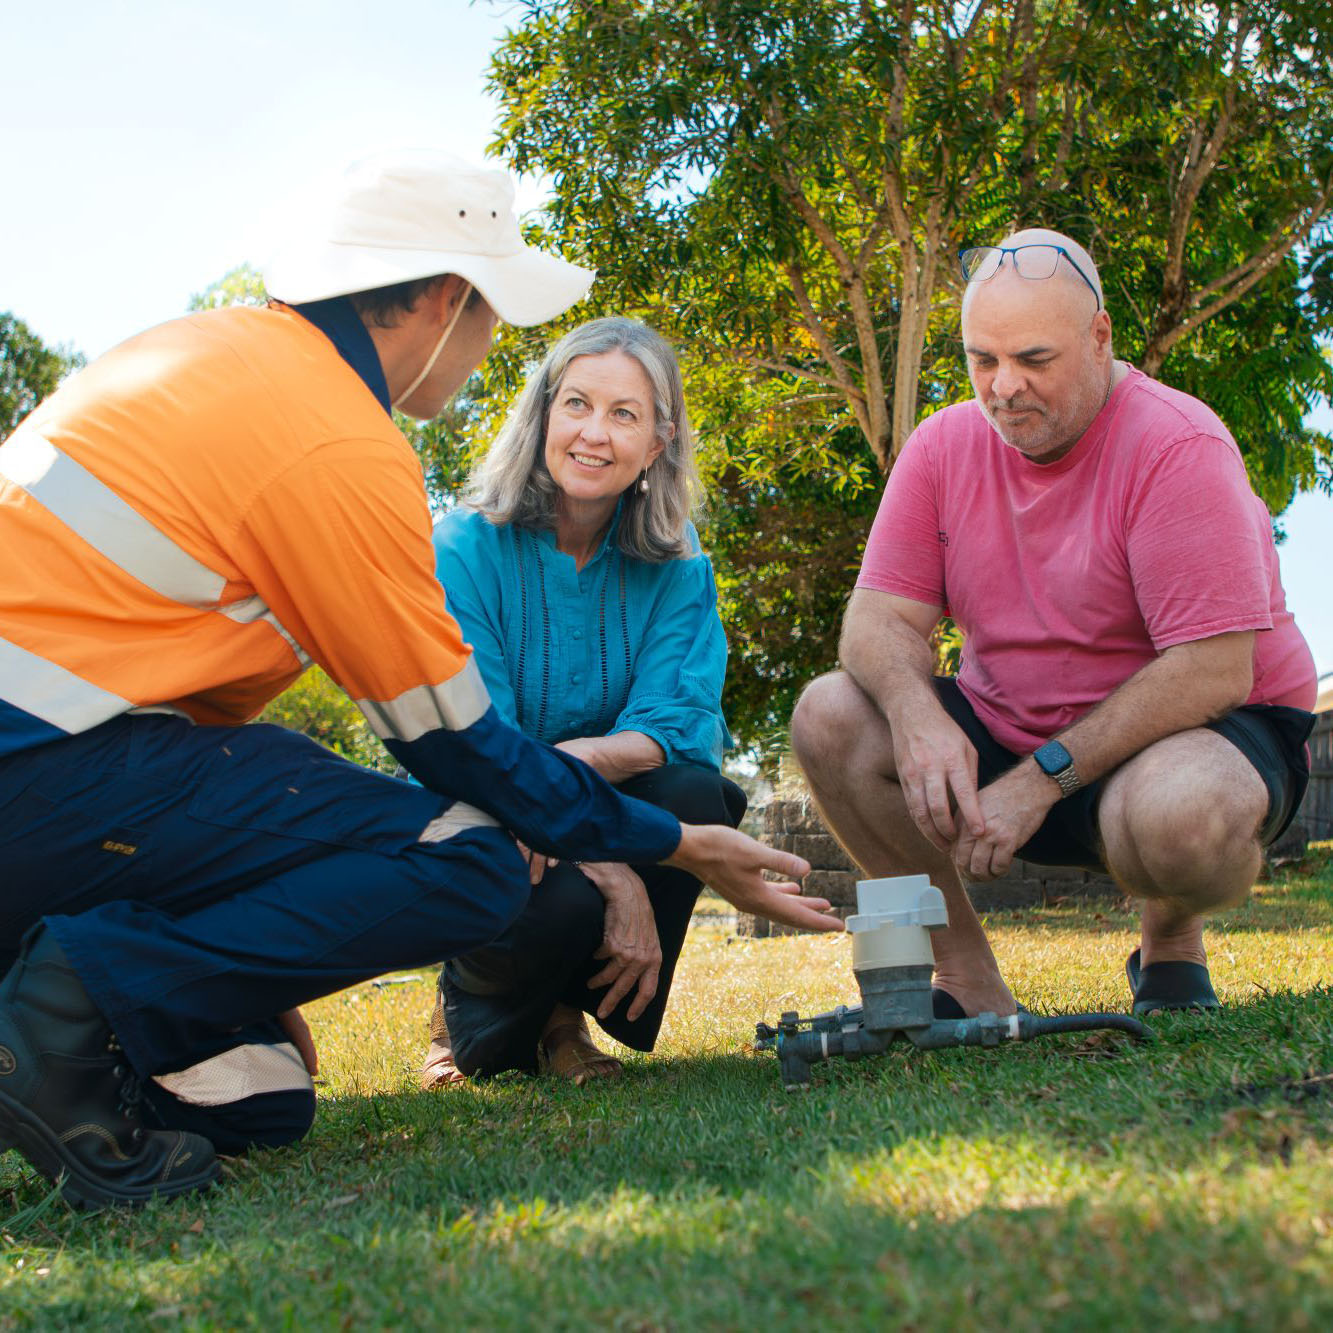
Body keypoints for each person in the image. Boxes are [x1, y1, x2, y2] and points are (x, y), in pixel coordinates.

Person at [0, 151, 838, 1209]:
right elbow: (451, 745)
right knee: (472, 858)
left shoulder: (204, 352)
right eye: (489, 316)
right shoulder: (337, 439)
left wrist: (226, 964)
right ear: (446, 301)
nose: (488, 348)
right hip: (41, 775)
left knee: (265, 1098)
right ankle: (71, 998)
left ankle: (68, 1009)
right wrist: (676, 842)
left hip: (68, 783)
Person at [791, 227, 1315, 1021]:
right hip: (1012, 724)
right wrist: (914, 716)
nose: (1003, 387)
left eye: (1033, 360)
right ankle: (965, 980)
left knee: (1177, 820)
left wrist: (1038, 784)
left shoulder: (1178, 444)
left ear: (1099, 337)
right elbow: (876, 620)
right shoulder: (940, 446)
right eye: (982, 359)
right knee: (828, 715)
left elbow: (1212, 670)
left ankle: (1172, 942)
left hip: (1201, 727)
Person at [418, 317, 741, 1088]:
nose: (594, 434)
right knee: (556, 888)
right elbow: (477, 741)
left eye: (624, 414)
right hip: (485, 815)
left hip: (576, 806)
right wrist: (617, 867)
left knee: (695, 794)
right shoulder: (461, 546)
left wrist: (570, 768)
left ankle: (569, 1020)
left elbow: (680, 724)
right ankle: (463, 1009)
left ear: (657, 444)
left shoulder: (677, 562)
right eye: (577, 405)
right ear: (542, 417)